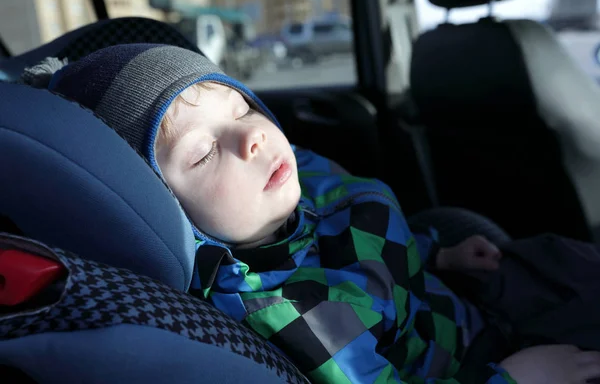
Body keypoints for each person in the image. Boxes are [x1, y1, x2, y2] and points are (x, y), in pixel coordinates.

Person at [22, 44, 600, 384]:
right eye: (200, 153)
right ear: (161, 213)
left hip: (457, 299)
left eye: (241, 105)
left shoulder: (298, 178)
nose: (250, 136)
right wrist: (517, 378)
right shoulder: (287, 313)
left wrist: (436, 249)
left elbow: (362, 235)